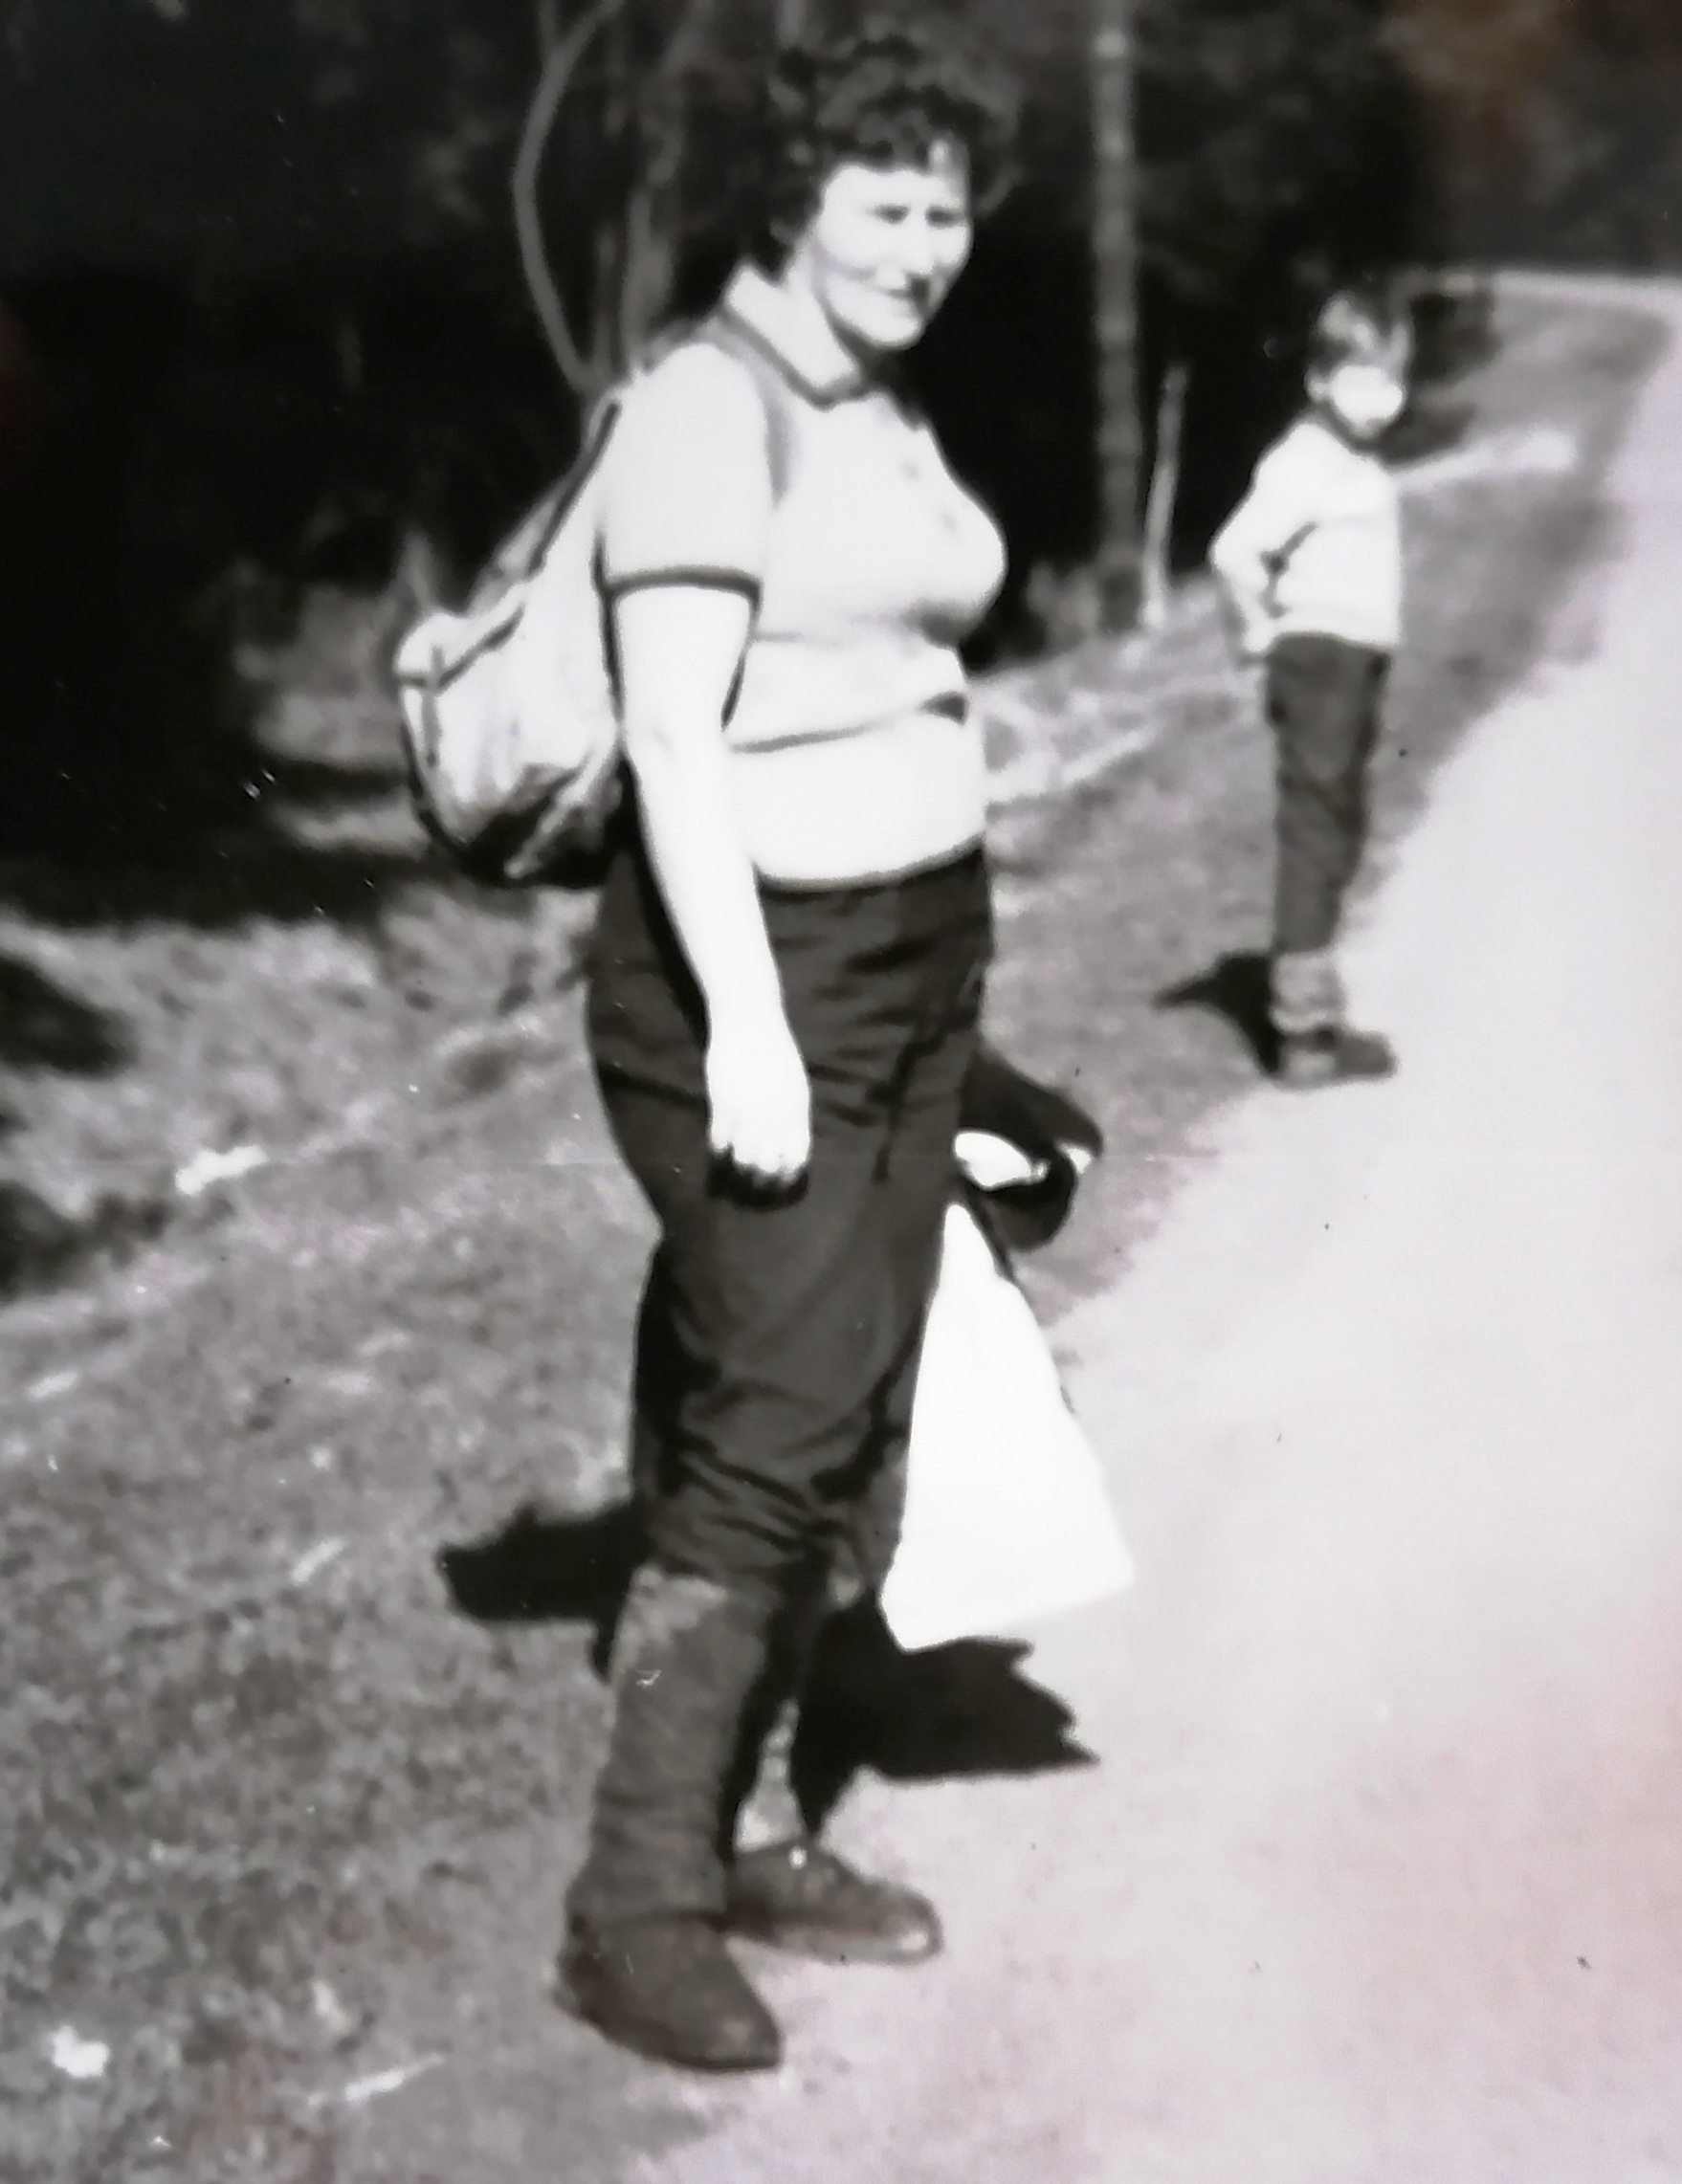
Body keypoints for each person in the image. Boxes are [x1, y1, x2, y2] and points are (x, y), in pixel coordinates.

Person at [553, 19, 1019, 2072]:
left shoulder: (875, 396)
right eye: (884, 206)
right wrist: (748, 1021)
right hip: (759, 978)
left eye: (948, 210)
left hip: (911, 962)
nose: (923, 246)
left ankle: (744, 1834)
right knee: (786, 1417)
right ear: (794, 203)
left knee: (839, 1385)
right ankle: (633, 1907)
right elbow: (673, 733)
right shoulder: (702, 405)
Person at [1206, 284, 1412, 1089]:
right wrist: (1258, 637)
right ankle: (1303, 1031)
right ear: (1318, 380)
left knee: (1340, 826)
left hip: (1352, 665)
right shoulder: (1302, 462)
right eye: (1361, 378)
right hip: (1319, 661)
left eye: (1393, 379)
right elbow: (1234, 552)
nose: (1381, 398)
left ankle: (1314, 1001)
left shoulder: (1352, 460)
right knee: (1317, 832)